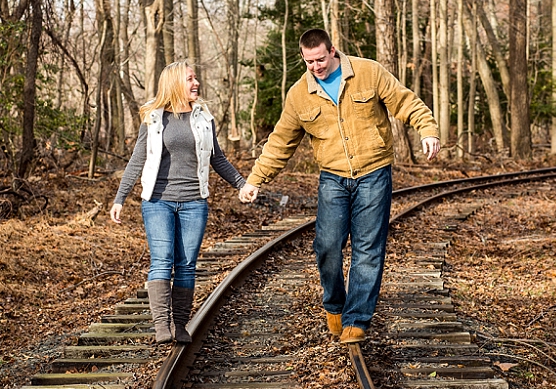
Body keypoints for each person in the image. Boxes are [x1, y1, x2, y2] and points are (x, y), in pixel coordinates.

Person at [239, 28, 441, 344]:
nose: (316, 67)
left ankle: (357, 319)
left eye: (320, 59)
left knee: (367, 248)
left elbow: (405, 101)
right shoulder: (298, 95)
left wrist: (428, 130)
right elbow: (280, 143)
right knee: (327, 246)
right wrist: (255, 179)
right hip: (333, 177)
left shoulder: (368, 71)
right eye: (309, 62)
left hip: (373, 172)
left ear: (333, 50)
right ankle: (334, 305)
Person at [111, 60, 248, 345]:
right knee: (162, 261)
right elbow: (138, 159)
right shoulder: (154, 118)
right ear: (175, 83)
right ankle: (162, 325)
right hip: (158, 201)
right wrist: (120, 197)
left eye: (196, 78)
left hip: (194, 202)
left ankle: (181, 324)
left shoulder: (204, 118)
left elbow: (217, 158)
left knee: (186, 264)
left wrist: (241, 183)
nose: (196, 83)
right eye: (190, 79)